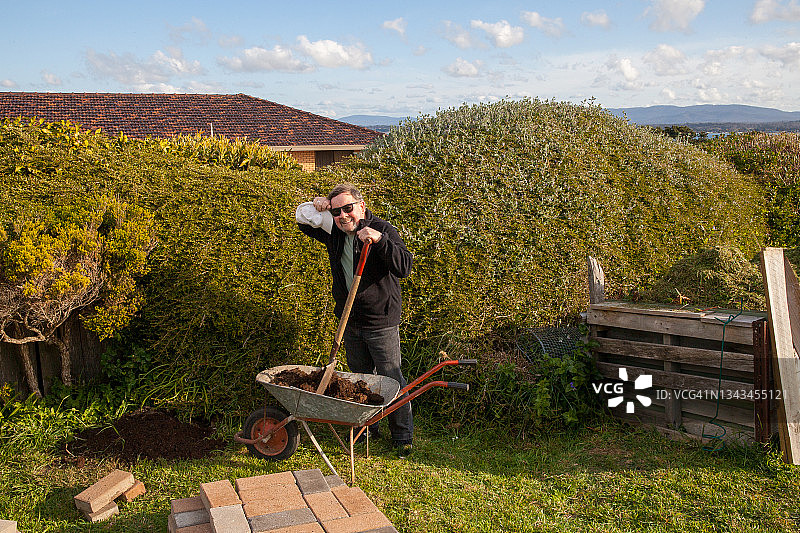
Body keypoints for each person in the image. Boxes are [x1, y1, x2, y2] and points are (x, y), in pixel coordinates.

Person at [296, 183, 415, 456]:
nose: (343, 215)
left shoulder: (383, 229)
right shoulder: (334, 231)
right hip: (349, 320)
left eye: (348, 208)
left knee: (391, 378)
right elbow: (301, 217)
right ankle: (366, 430)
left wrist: (381, 241)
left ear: (361, 206)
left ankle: (402, 436)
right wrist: (317, 204)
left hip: (380, 320)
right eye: (337, 211)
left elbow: (404, 266)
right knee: (359, 380)